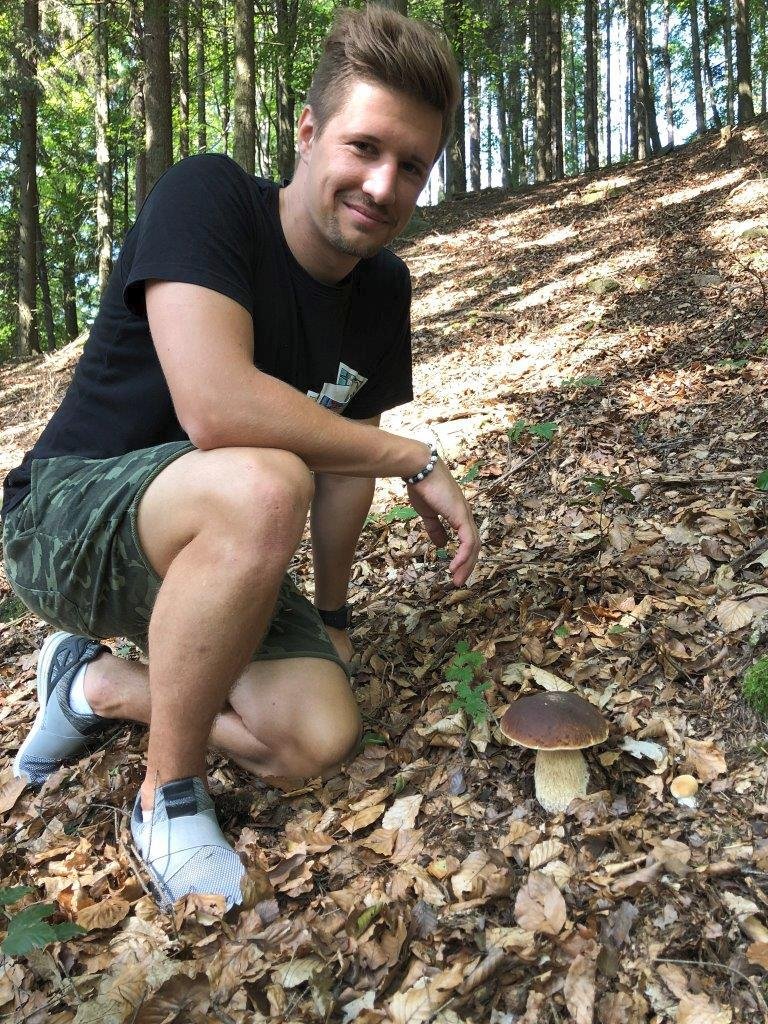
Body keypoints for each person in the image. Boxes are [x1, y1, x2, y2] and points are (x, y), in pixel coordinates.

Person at [2, 5, 480, 909]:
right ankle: (166, 799)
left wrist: (334, 616)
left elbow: (343, 465)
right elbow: (217, 407)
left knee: (314, 735)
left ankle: (95, 685)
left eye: (410, 165)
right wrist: (412, 455)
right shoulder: (209, 196)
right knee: (266, 479)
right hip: (62, 518)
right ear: (308, 133)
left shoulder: (382, 288)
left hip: (212, 540)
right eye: (364, 147)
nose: (383, 184)